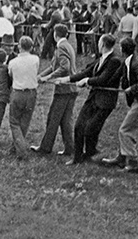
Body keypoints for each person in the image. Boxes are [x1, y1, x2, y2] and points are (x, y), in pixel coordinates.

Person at [60, 34, 122, 165]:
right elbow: (87, 72)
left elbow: (103, 79)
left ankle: (90, 153)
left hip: (105, 101)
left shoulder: (114, 61)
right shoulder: (101, 58)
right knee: (78, 126)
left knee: (90, 129)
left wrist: (87, 81)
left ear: (102, 44)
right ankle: (77, 158)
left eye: (99, 42)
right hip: (93, 97)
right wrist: (68, 79)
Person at [101, 37, 138, 173]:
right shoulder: (127, 61)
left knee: (125, 130)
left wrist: (132, 89)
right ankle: (121, 158)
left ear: (123, 50)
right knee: (128, 128)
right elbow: (115, 77)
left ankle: (133, 163)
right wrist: (99, 85)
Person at [33, 24, 78, 156]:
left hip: (64, 89)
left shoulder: (61, 47)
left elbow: (64, 67)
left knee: (53, 118)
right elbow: (54, 66)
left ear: (55, 34)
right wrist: (41, 76)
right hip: (71, 89)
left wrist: (47, 77)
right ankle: (70, 148)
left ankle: (45, 148)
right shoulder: (67, 45)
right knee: (65, 121)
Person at [8, 36, 39, 160]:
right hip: (31, 93)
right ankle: (15, 146)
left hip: (18, 92)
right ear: (31, 47)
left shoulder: (13, 62)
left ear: (19, 46)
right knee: (25, 121)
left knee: (14, 122)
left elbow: (10, 75)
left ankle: (20, 150)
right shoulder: (35, 59)